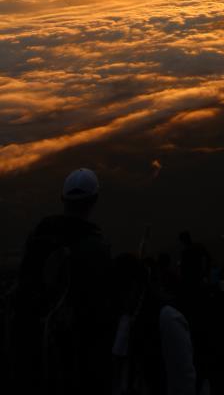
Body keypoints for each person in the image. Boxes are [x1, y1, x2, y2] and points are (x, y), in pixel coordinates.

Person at [9, 167, 111, 394]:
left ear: (62, 199)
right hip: (74, 358)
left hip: (30, 351)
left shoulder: (38, 237)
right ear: (94, 200)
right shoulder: (96, 248)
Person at [112, 253, 198, 395]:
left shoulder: (166, 317)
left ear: (133, 285)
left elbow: (183, 383)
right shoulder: (129, 318)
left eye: (119, 290)